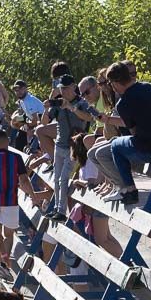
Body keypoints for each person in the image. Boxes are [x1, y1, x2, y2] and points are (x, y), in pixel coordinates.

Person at [89, 61, 151, 212]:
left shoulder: (124, 103)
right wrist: (109, 120)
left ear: (116, 83)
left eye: (110, 83)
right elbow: (140, 118)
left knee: (117, 145)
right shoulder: (149, 88)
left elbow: (135, 133)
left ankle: (130, 189)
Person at [0, 129, 45, 277]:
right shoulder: (16, 158)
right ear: (8, 141)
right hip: (11, 201)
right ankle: (4, 264)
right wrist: (33, 195)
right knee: (8, 235)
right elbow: (23, 180)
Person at [48, 75, 101, 219]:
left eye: (66, 87)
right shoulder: (58, 103)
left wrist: (71, 108)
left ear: (73, 86)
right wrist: (50, 101)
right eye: (61, 88)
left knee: (63, 178)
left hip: (74, 147)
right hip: (59, 145)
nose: (63, 90)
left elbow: (90, 118)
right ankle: (57, 209)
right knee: (57, 179)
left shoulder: (82, 102)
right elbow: (44, 120)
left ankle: (61, 211)